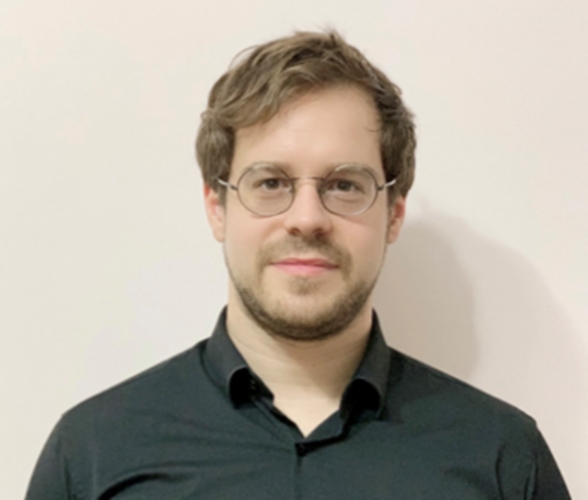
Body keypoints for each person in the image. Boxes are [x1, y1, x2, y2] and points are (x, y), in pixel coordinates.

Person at [27, 30, 570, 499]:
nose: (307, 218)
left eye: (344, 185)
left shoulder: (501, 456)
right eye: (270, 182)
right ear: (217, 207)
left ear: (393, 213)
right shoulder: (93, 451)